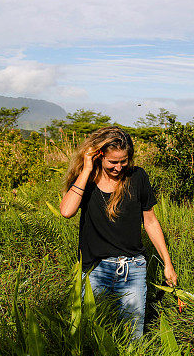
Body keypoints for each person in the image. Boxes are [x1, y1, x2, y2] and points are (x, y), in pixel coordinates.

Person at [59, 126, 178, 339]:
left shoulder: (137, 176)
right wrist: (86, 169)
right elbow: (67, 211)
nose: (118, 167)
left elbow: (150, 221)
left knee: (133, 337)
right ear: (99, 155)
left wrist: (167, 264)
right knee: (92, 334)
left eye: (123, 161)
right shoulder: (86, 179)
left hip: (133, 269)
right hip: (95, 269)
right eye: (113, 162)